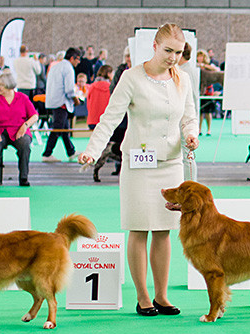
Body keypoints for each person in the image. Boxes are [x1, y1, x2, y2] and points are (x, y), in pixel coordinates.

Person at [78, 24, 198, 317]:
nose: (172, 57)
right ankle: (143, 297)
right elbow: (109, 118)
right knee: (139, 228)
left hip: (170, 164)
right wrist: (91, 151)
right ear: (154, 46)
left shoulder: (183, 79)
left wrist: (192, 134)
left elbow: (188, 117)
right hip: (138, 164)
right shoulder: (131, 78)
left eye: (178, 52)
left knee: (163, 231)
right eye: (168, 50)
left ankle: (162, 296)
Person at [0, 70, 38, 191]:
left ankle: (24, 177)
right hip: (0, 130)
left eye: (1, 85)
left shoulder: (22, 98)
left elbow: (34, 115)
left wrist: (25, 125)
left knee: (25, 144)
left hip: (18, 130)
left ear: (9, 85)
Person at [42, 46, 81, 162]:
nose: (79, 62)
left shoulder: (55, 66)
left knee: (64, 128)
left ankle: (71, 151)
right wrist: (76, 100)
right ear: (73, 58)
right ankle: (47, 154)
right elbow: (69, 89)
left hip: (53, 101)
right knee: (58, 128)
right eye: (78, 59)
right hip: (61, 102)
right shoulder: (68, 68)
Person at [86, 65, 112, 130]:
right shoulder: (111, 87)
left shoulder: (92, 86)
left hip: (92, 121)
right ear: (108, 74)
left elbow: (88, 104)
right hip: (106, 121)